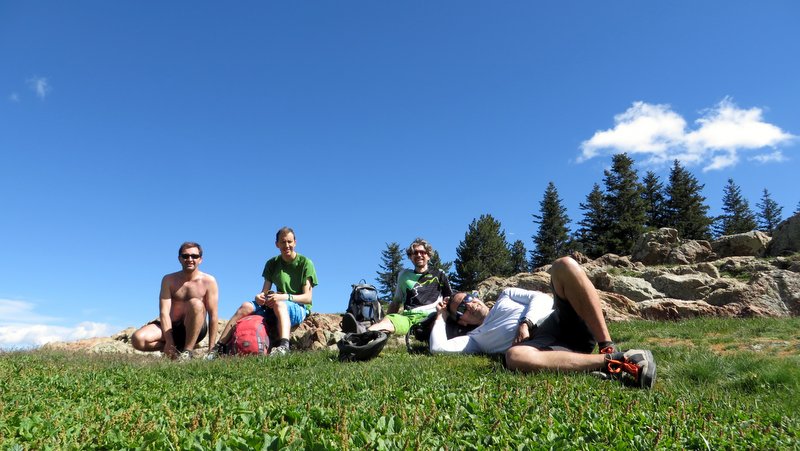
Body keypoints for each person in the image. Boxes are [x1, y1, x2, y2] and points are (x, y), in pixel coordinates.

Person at [430, 256, 656, 389]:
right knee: (514, 356)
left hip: (559, 320)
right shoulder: (475, 339)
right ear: (462, 321)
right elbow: (438, 348)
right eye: (461, 308)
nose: (469, 305)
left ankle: (607, 345)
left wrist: (525, 322)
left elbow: (542, 298)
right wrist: (441, 316)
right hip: (544, 348)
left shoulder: (506, 295)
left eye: (468, 298)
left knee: (564, 265)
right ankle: (616, 361)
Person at [213, 227, 318, 357]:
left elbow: (307, 298)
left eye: (289, 242)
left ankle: (284, 346)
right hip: (276, 303)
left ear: (295, 242)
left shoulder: (305, 263)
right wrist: (260, 297)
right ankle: (218, 348)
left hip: (298, 307)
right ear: (277, 244)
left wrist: (284, 297)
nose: (287, 245)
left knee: (280, 304)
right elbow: (265, 291)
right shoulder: (272, 263)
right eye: (283, 242)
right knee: (246, 306)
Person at [342, 238, 453, 336]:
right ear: (410, 257)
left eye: (422, 252)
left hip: (432, 316)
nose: (419, 255)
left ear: (428, 255)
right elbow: (396, 302)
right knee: (388, 322)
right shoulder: (404, 276)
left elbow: (450, 298)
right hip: (408, 318)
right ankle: (361, 333)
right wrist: (385, 320)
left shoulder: (439, 274)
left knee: (433, 328)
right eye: (415, 253)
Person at [131, 242, 219, 360]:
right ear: (179, 259)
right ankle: (176, 352)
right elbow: (164, 312)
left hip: (194, 328)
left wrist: (211, 348)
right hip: (171, 327)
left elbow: (213, 315)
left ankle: (188, 352)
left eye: (194, 256)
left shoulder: (209, 281)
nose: (190, 259)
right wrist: (169, 341)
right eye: (185, 256)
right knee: (138, 339)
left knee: (195, 303)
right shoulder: (169, 280)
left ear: (200, 260)